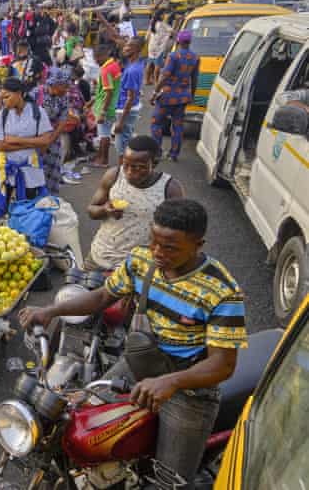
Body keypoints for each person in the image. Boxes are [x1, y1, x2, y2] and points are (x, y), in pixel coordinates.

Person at [21, 199, 245, 487]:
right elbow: (103, 297)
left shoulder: (223, 292)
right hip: (138, 365)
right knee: (82, 427)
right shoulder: (141, 260)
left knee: (168, 481)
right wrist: (51, 311)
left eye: (170, 247)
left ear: (198, 244)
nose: (157, 253)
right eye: (154, 242)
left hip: (189, 392)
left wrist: (171, 383)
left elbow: (223, 365)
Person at [87, 136, 184, 270]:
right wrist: (105, 209)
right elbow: (91, 210)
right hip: (99, 257)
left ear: (154, 163)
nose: (130, 172)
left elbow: (179, 234)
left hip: (138, 267)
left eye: (139, 167)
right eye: (125, 164)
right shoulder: (113, 176)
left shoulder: (170, 189)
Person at [0, 77, 55, 213]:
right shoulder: (1, 116)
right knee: (4, 209)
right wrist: (32, 143)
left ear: (19, 93)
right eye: (2, 98)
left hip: (30, 172)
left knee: (30, 209)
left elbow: (46, 140)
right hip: (6, 172)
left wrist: (13, 140)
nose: (4, 101)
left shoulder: (38, 113)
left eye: (7, 97)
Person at [151, 30, 199, 162]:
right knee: (177, 125)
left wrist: (155, 92)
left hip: (167, 96)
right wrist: (192, 95)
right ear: (189, 42)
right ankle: (173, 154)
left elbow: (165, 76)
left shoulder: (173, 56)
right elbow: (194, 79)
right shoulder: (195, 57)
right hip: (183, 97)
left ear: (178, 41)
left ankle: (157, 152)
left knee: (156, 123)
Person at [32, 67, 82, 193]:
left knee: (51, 169)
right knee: (33, 169)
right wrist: (39, 141)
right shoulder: (36, 94)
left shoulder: (63, 97)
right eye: (65, 86)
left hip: (53, 138)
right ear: (55, 83)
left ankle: (49, 198)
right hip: (33, 138)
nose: (67, 90)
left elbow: (62, 120)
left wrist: (49, 141)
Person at [113, 37, 146, 163]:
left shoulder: (132, 70)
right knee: (124, 141)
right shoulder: (135, 62)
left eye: (129, 46)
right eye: (126, 45)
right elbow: (118, 40)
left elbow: (130, 98)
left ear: (137, 49)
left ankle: (122, 173)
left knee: (122, 147)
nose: (125, 48)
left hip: (125, 110)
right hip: (129, 108)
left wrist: (120, 122)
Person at [90, 44, 122, 168]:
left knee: (104, 135)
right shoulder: (114, 65)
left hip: (106, 108)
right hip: (112, 106)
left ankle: (103, 160)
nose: (95, 60)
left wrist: (102, 112)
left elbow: (108, 92)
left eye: (96, 57)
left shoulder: (105, 70)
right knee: (106, 134)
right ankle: (101, 157)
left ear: (103, 56)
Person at [147, 11, 173, 86]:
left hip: (151, 46)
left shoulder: (153, 23)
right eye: (164, 14)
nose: (164, 15)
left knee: (149, 63)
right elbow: (172, 31)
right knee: (157, 65)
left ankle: (147, 80)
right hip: (159, 47)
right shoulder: (162, 24)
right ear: (160, 15)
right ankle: (156, 81)